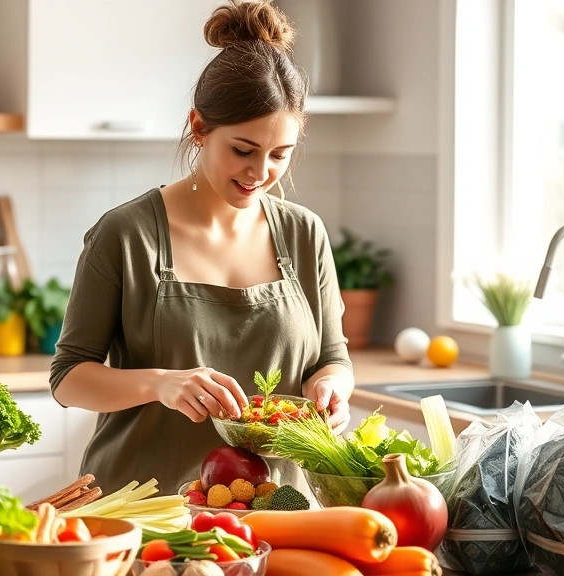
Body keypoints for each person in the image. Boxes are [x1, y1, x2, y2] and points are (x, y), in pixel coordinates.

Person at [49, 0, 354, 496]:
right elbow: (68, 377)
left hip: (278, 511)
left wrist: (332, 389)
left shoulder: (305, 234)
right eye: (243, 150)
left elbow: (333, 358)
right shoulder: (125, 235)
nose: (261, 174)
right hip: (147, 510)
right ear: (199, 127)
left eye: (280, 155)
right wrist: (160, 383)